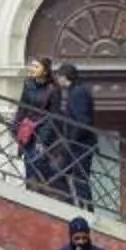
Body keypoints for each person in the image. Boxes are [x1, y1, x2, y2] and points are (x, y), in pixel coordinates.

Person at [49, 63, 100, 209]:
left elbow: (83, 121)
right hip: (77, 145)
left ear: (64, 77)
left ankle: (84, 210)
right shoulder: (74, 91)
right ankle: (77, 207)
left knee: (77, 178)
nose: (57, 80)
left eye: (58, 77)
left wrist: (71, 141)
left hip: (80, 146)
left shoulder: (78, 92)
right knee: (70, 176)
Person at [12, 57, 59, 192]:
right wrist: (15, 126)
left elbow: (53, 117)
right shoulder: (28, 84)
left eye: (36, 66)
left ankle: (44, 195)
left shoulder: (53, 89)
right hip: (27, 132)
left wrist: (43, 140)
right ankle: (31, 194)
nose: (32, 69)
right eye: (31, 66)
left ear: (45, 71)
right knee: (28, 163)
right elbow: (22, 107)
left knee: (37, 162)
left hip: (43, 132)